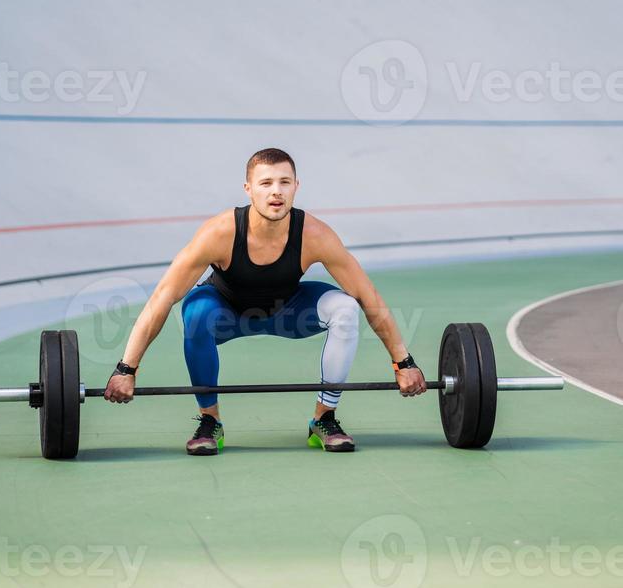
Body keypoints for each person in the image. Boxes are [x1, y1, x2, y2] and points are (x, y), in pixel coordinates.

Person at [104, 147, 426, 454]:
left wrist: (403, 362)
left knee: (345, 307)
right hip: (226, 313)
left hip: (287, 311)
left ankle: (323, 419)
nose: (277, 192)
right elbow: (163, 297)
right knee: (196, 311)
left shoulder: (315, 234)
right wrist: (126, 368)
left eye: (285, 182)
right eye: (266, 183)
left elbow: (366, 293)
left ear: (296, 186)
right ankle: (209, 422)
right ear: (248, 189)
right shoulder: (219, 233)